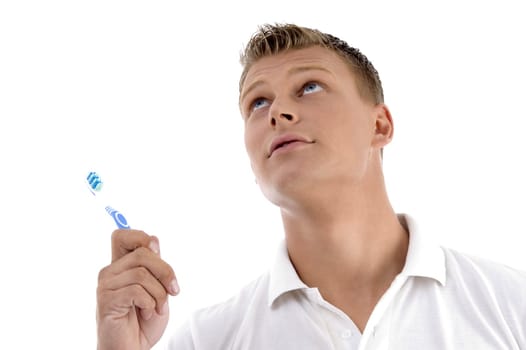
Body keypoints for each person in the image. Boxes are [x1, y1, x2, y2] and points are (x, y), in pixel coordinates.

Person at [96, 23, 526, 349]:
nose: (277, 112)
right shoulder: (208, 340)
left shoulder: (511, 306)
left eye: (309, 87)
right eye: (257, 102)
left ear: (379, 125)